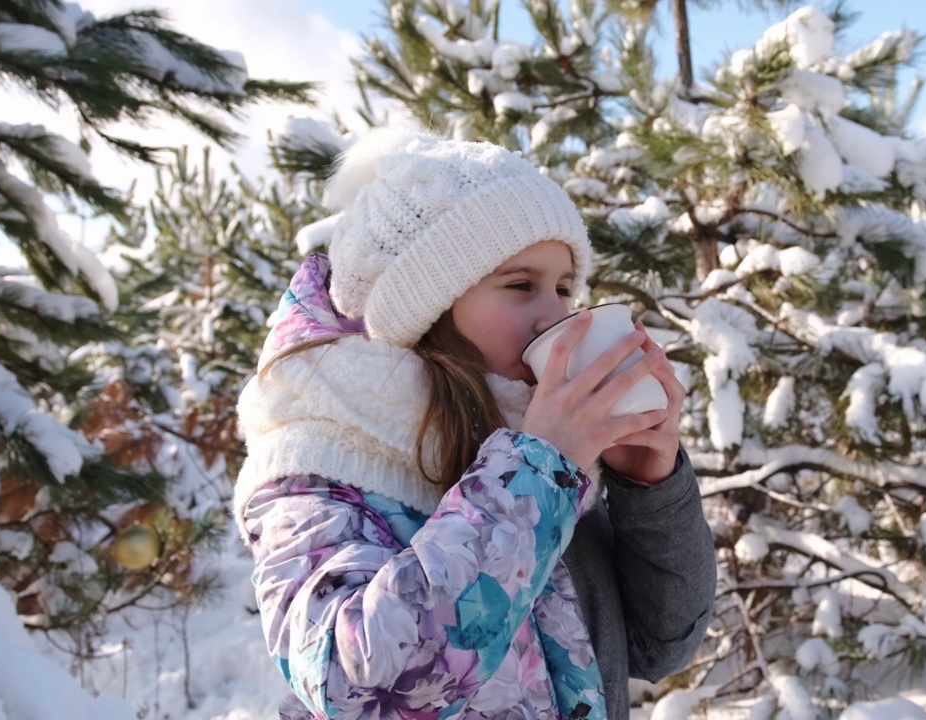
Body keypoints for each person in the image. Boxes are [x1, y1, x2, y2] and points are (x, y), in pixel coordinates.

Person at [233, 125, 716, 720]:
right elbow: (359, 687)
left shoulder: (531, 449)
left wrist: (652, 490)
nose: (557, 316)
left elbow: (658, 647)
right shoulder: (317, 462)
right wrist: (535, 473)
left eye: (565, 287)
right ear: (428, 305)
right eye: (520, 285)